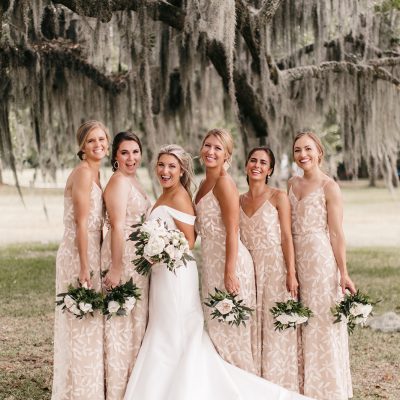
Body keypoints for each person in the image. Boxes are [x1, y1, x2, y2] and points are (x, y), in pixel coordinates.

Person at [124, 144, 313, 400]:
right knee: (166, 329)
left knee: (178, 331)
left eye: (171, 166)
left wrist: (227, 269)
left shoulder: (184, 194)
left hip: (178, 273)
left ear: (182, 170)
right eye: (161, 165)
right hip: (169, 273)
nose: (165, 171)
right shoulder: (188, 190)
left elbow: (190, 240)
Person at [288, 130, 355, 400]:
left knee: (321, 321)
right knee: (300, 319)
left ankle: (327, 389)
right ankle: (303, 387)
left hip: (319, 261)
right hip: (295, 258)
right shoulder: (291, 183)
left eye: (307, 149)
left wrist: (344, 273)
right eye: (297, 150)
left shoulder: (330, 187)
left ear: (319, 152)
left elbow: (337, 233)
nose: (302, 155)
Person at [52, 120, 109, 400]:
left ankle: (88, 388)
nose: (98, 144)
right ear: (82, 147)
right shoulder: (84, 174)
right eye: (91, 141)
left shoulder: (97, 174)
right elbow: (81, 223)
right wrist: (85, 267)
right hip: (78, 255)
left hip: (91, 254)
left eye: (101, 139)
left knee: (89, 322)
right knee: (80, 322)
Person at [194, 128, 257, 374]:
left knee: (232, 334)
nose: (211, 151)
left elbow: (233, 230)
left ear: (227, 156)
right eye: (207, 145)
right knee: (217, 331)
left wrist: (230, 272)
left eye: (218, 148)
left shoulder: (224, 183)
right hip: (211, 264)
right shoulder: (202, 184)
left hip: (231, 264)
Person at [240, 147, 299, 390]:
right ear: (246, 166)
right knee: (253, 324)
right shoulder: (238, 199)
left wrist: (291, 273)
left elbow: (286, 236)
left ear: (270, 170)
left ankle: (278, 385)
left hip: (274, 266)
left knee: (274, 324)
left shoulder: (278, 197)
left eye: (263, 163)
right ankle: (256, 384)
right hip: (248, 268)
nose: (257, 165)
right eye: (253, 160)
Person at [101, 131, 151, 399]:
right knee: (121, 324)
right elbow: (118, 226)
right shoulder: (119, 182)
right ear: (115, 157)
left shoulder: (133, 180)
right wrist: (117, 268)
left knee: (134, 323)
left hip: (137, 260)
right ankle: (118, 388)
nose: (131, 158)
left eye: (135, 151)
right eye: (124, 152)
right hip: (123, 257)